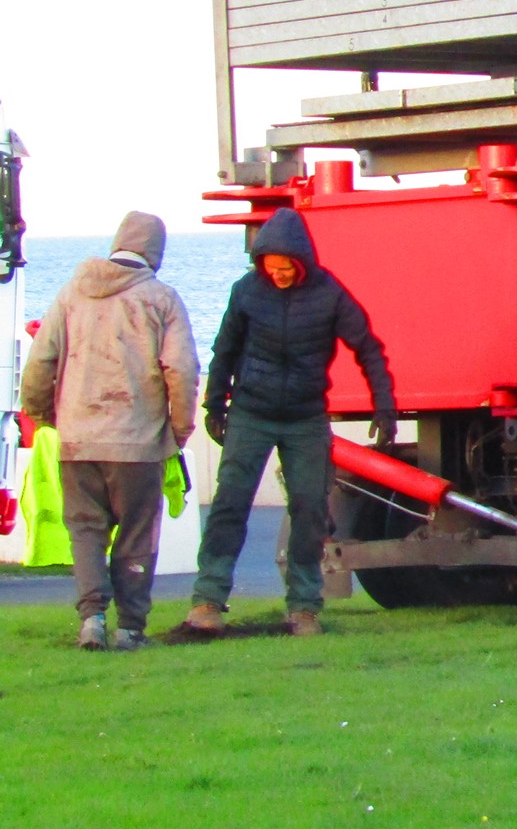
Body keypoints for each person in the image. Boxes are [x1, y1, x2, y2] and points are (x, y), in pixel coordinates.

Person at [189, 206, 395, 638]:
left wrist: (384, 407)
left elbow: (367, 347)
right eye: (271, 267)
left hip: (306, 418)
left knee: (310, 510)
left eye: (285, 268)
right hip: (251, 413)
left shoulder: (329, 293)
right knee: (230, 503)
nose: (278, 275)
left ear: (301, 261)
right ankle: (208, 600)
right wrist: (214, 405)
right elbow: (224, 348)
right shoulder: (246, 291)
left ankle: (304, 608)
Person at [18, 212, 199, 650]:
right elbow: (181, 369)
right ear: (155, 252)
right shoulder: (161, 299)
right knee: (137, 534)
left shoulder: (72, 293)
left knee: (85, 531)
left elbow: (40, 362)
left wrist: (43, 416)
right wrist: (179, 429)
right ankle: (130, 628)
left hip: (78, 439)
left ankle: (91, 620)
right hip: (138, 443)